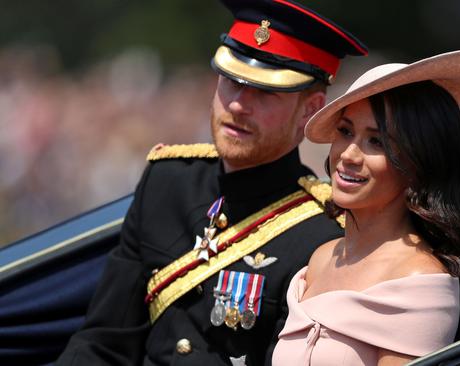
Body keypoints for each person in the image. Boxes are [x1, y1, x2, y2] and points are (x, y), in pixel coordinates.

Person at [56, 0, 367, 365]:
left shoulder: (324, 233)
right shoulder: (167, 180)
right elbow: (104, 341)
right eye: (232, 82)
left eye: (265, 92)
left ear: (310, 110)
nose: (237, 105)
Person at [272, 47, 460, 365]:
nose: (348, 155)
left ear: (419, 163)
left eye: (377, 142)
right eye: (346, 132)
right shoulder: (322, 258)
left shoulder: (418, 279)